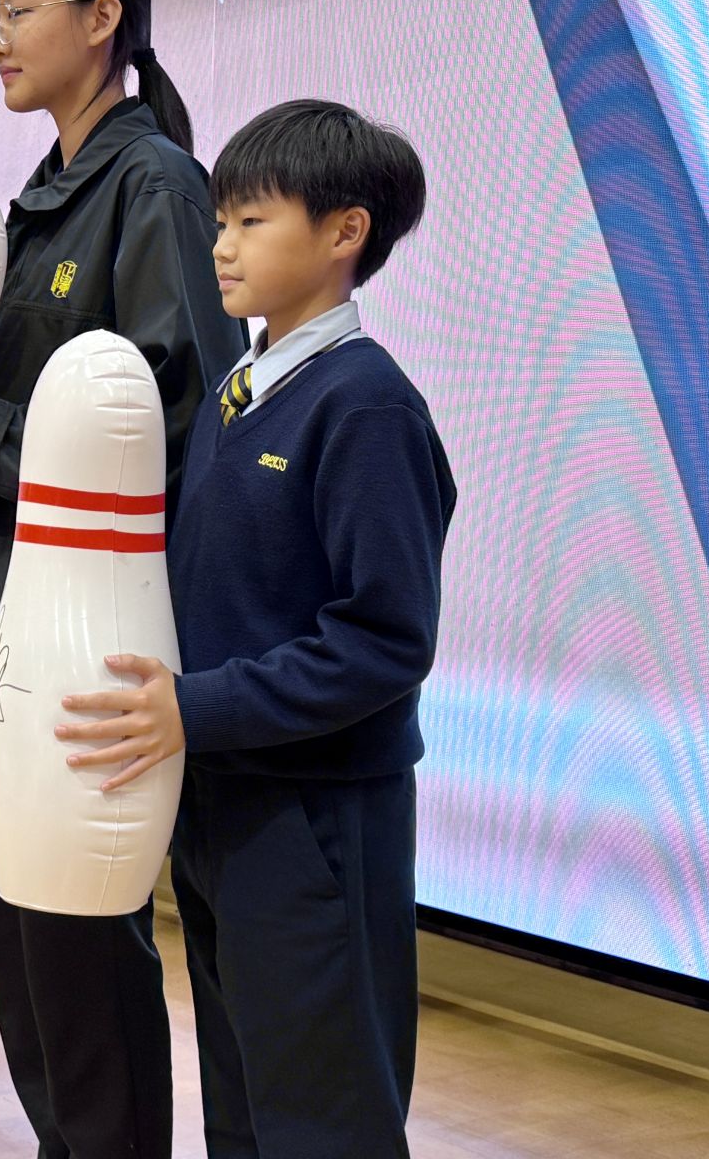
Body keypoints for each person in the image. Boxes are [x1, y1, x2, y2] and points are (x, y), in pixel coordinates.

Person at [0, 0, 246, 1158]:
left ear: (103, 21)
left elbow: (174, 425)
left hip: (80, 640)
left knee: (79, 960)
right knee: (21, 952)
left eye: (17, 11)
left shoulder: (154, 186)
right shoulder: (38, 195)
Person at [66, 99, 454, 1157]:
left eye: (251, 221)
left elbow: (385, 640)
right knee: (242, 1105)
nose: (222, 246)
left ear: (344, 233)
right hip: (224, 803)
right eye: (220, 221)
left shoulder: (365, 405)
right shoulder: (242, 389)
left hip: (315, 819)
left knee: (322, 1115)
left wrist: (194, 708)